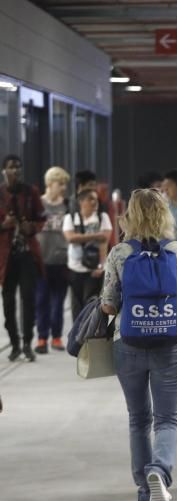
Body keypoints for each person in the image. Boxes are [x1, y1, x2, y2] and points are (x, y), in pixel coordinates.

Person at [100, 189, 177, 501]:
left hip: (128, 343)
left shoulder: (119, 253)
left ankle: (145, 492)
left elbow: (108, 303)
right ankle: (159, 469)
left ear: (129, 214)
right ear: (166, 213)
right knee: (167, 418)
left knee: (138, 419)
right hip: (169, 344)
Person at [0, 155, 46, 362]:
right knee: (8, 303)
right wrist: (4, 225)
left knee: (29, 300)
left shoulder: (31, 191)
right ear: (4, 170)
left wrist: (33, 227)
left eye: (18, 167)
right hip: (6, 256)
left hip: (28, 254)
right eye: (11, 167)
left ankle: (28, 343)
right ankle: (15, 344)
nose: (15, 171)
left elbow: (41, 218)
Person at [35, 166, 71, 353]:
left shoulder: (66, 205)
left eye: (65, 184)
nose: (64, 187)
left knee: (58, 301)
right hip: (41, 260)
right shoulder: (38, 204)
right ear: (49, 183)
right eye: (60, 183)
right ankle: (42, 338)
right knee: (41, 300)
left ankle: (56, 336)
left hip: (62, 260)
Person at [62, 187, 111, 322]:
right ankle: (77, 338)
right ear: (81, 201)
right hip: (75, 268)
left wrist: (101, 265)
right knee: (76, 306)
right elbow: (70, 238)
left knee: (91, 304)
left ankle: (89, 338)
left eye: (96, 199)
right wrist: (96, 235)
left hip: (95, 269)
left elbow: (104, 241)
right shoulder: (70, 218)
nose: (95, 202)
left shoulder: (103, 217)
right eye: (91, 199)